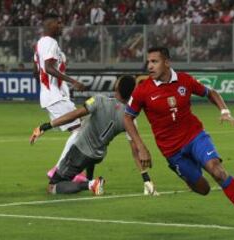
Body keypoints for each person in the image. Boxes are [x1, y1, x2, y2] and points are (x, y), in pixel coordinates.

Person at [124, 47, 234, 233]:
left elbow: (210, 92)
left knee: (217, 171)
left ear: (167, 62)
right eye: (148, 62)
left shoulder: (185, 80)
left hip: (195, 136)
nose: (149, 66)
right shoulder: (143, 90)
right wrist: (141, 147)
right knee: (203, 189)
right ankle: (189, 176)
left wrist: (225, 111)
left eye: (154, 61)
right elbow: (127, 117)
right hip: (172, 150)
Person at [30, 75, 158, 196]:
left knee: (53, 187)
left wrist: (46, 126)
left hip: (80, 151)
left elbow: (74, 115)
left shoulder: (99, 100)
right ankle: (90, 180)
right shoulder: (130, 119)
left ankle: (91, 184)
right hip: (98, 155)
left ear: (116, 88)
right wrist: (146, 179)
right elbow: (135, 150)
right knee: (91, 153)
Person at [33, 13, 87, 183]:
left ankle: (66, 169)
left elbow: (37, 71)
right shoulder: (49, 42)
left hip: (53, 95)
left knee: (80, 130)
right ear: (49, 25)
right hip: (54, 96)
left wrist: (48, 88)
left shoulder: (41, 44)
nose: (62, 26)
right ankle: (60, 169)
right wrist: (72, 82)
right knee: (80, 131)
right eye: (59, 22)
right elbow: (48, 68)